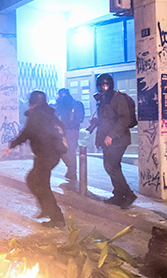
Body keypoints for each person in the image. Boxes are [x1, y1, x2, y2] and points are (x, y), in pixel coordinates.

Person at [2, 91, 67, 228]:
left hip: (45, 155)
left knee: (42, 185)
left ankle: (57, 218)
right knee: (33, 180)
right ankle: (46, 208)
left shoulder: (35, 115)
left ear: (32, 102)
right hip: (51, 155)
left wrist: (10, 147)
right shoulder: (50, 114)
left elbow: (26, 133)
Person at [90, 73, 136, 208]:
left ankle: (128, 194)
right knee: (112, 167)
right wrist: (95, 122)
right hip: (108, 139)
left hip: (118, 139)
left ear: (110, 85)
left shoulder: (118, 99)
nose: (103, 88)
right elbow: (107, 119)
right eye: (100, 86)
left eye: (105, 85)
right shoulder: (104, 99)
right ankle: (118, 195)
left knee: (111, 167)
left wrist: (112, 135)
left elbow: (124, 119)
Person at [54, 88, 85, 181]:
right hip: (75, 130)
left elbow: (55, 115)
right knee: (71, 152)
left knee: (63, 151)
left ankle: (71, 171)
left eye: (58, 95)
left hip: (66, 130)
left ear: (62, 94)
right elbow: (81, 118)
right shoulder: (76, 103)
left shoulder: (62, 104)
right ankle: (71, 171)